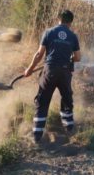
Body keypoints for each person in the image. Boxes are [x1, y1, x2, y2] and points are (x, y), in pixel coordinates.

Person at [24, 10, 81, 143]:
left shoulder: (49, 32)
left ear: (58, 19)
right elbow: (78, 57)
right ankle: (69, 129)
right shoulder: (73, 36)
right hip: (65, 72)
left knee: (42, 100)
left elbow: (39, 54)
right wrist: (70, 57)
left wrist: (29, 69)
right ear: (71, 22)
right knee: (67, 99)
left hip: (49, 71)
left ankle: (37, 136)